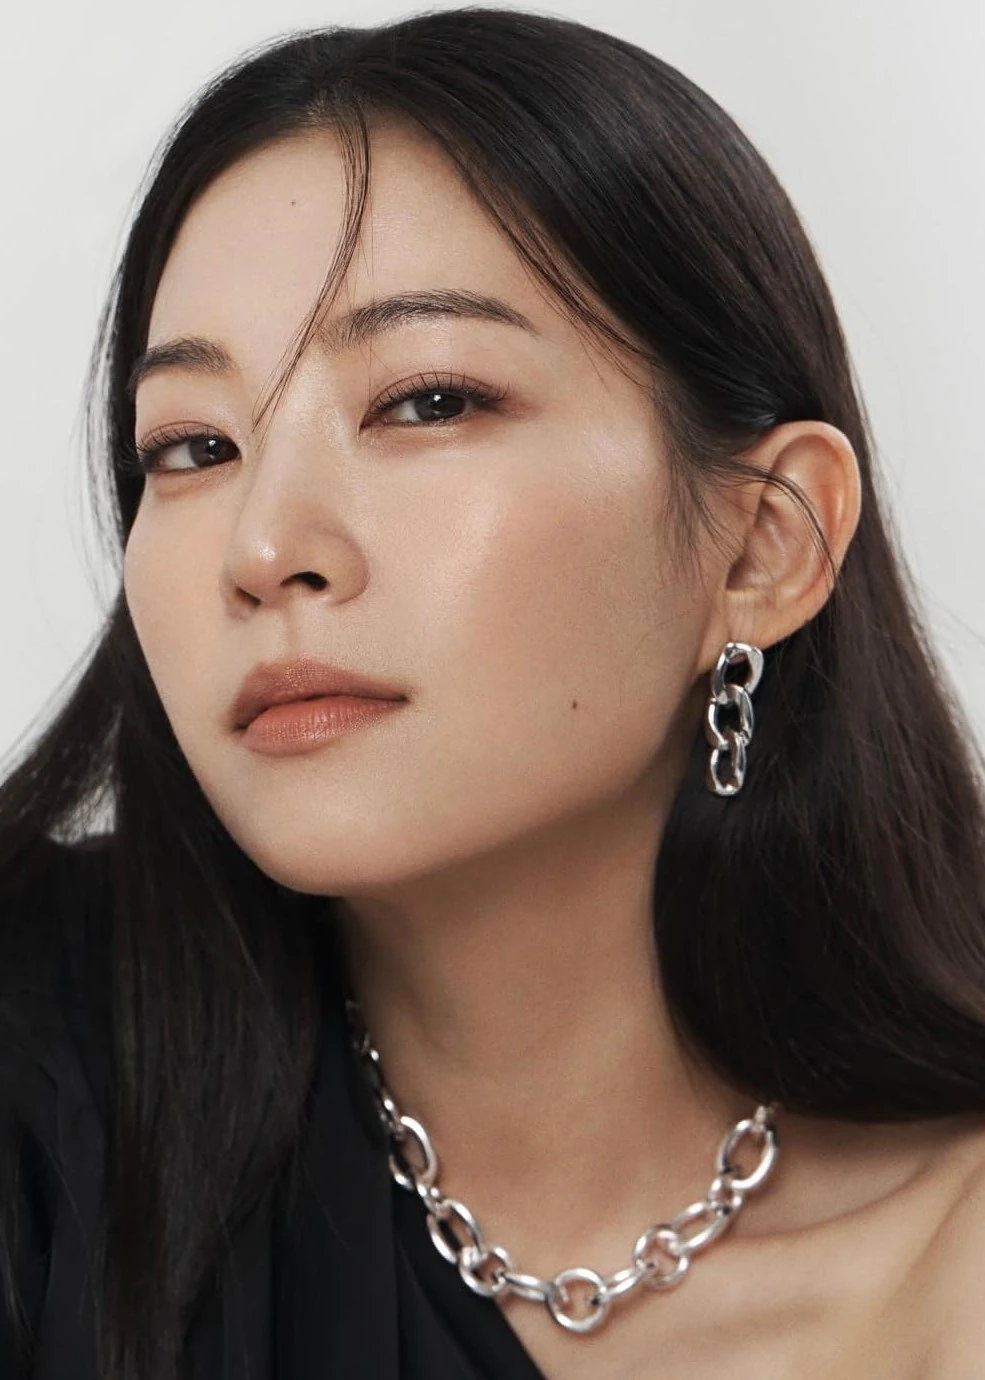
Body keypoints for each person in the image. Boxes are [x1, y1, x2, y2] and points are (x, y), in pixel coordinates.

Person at [2, 7, 984, 1378]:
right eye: (193, 446)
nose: (264, 548)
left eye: (428, 402)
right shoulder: (42, 1078)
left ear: (763, 546)